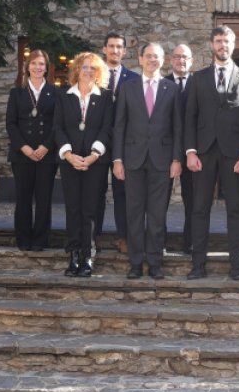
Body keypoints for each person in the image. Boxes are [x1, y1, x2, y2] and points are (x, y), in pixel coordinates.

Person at [184, 25, 239, 280]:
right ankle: (198, 266)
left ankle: (236, 267)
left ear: (233, 44)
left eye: (226, 41)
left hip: (235, 154)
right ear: (211, 45)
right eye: (218, 41)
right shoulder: (198, 78)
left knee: (236, 209)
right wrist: (190, 152)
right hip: (203, 152)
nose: (222, 46)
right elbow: (190, 117)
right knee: (199, 208)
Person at [112, 42, 184, 280]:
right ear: (140, 59)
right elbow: (119, 125)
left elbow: (177, 128)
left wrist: (176, 159)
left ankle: (154, 262)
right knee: (133, 213)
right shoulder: (127, 88)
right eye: (149, 56)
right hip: (132, 160)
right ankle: (135, 263)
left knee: (157, 215)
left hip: (162, 161)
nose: (153, 60)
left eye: (158, 57)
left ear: (163, 61)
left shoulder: (171, 89)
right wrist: (118, 159)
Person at [54, 52, 113, 277]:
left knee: (89, 209)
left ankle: (88, 257)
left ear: (98, 73)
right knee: (73, 208)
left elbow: (107, 128)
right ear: (77, 69)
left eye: (93, 68)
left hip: (94, 162)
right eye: (84, 67)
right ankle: (73, 255)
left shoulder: (106, 97)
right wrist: (68, 155)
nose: (88, 71)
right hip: (70, 161)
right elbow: (57, 127)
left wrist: (93, 155)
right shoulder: (64, 95)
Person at [5, 49, 59, 252]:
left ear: (47, 68)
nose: (38, 67)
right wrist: (25, 148)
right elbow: (10, 124)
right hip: (22, 153)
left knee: (44, 199)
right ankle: (23, 239)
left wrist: (46, 146)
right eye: (34, 63)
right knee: (24, 198)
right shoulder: (16, 93)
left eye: (42, 64)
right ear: (27, 66)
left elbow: (57, 124)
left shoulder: (55, 93)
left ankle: (40, 240)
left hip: (47, 153)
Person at [98, 32, 139, 253]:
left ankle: (124, 236)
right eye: (111, 46)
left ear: (124, 51)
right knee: (95, 191)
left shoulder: (134, 79)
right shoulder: (93, 75)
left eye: (119, 47)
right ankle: (93, 236)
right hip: (97, 141)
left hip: (124, 143)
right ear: (104, 49)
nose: (115, 51)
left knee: (123, 192)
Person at [166, 43, 196, 254]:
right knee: (160, 200)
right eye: (177, 57)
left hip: (193, 150)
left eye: (185, 57)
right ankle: (159, 242)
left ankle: (190, 242)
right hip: (165, 150)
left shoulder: (199, 83)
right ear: (171, 60)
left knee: (193, 200)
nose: (181, 60)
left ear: (191, 61)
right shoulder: (162, 83)